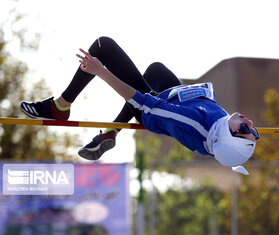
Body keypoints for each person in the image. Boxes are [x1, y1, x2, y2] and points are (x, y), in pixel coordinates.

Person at [20, 36, 259, 174]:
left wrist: (101, 72)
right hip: (178, 99)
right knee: (156, 70)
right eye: (254, 133)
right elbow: (229, 149)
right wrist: (240, 149)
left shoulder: (195, 122)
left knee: (104, 47)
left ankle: (59, 107)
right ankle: (112, 132)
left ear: (226, 136)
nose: (250, 123)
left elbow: (144, 103)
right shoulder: (220, 133)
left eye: (246, 129)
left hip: (155, 109)